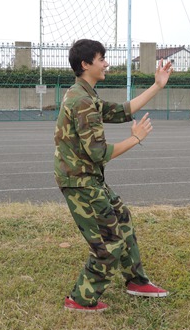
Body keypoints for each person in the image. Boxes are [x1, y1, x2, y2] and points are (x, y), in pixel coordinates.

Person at [54, 39, 172, 312]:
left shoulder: (85, 94)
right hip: (80, 181)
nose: (106, 63)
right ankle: (81, 299)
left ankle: (136, 281)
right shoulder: (82, 100)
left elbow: (121, 111)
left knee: (121, 217)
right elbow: (97, 152)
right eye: (101, 58)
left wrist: (157, 86)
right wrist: (135, 139)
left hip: (89, 178)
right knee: (109, 243)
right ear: (85, 64)